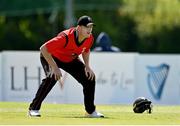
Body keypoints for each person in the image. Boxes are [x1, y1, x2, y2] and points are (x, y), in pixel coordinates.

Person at [28, 15, 104, 118]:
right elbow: (43, 49)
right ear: (79, 28)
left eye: (91, 27)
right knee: (52, 77)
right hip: (51, 56)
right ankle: (33, 109)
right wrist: (54, 67)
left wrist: (87, 66)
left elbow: (86, 50)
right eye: (87, 27)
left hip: (70, 59)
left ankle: (90, 111)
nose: (90, 29)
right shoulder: (66, 37)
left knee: (89, 78)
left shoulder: (89, 38)